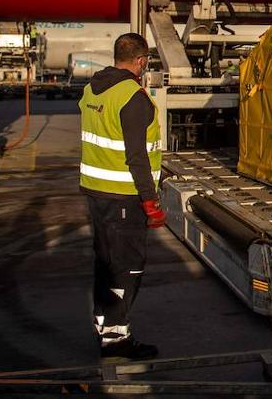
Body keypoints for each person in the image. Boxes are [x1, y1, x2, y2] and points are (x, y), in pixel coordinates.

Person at [79, 33, 166, 360]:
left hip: (96, 193)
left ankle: (104, 327)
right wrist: (151, 202)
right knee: (127, 268)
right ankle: (116, 339)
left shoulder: (92, 89)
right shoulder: (133, 96)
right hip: (125, 197)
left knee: (106, 264)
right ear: (141, 61)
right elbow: (137, 157)